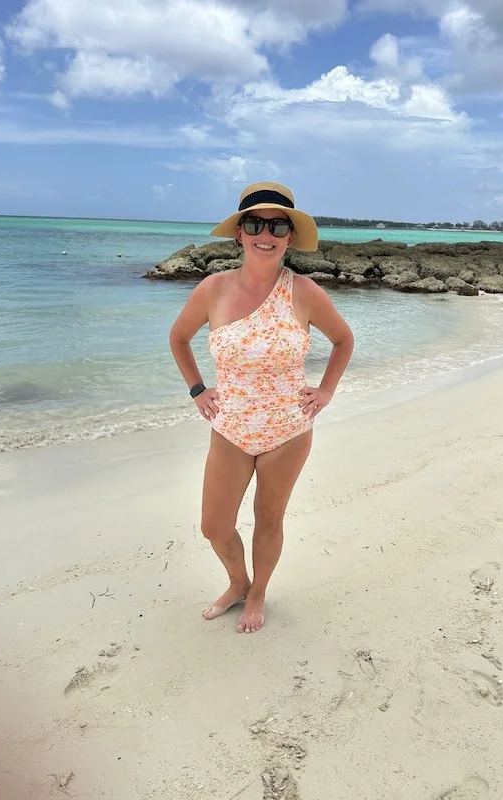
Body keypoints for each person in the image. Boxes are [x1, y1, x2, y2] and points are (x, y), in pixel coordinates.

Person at [169, 182, 354, 633]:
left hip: (288, 430)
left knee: (268, 520)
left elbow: (343, 340)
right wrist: (198, 390)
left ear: (290, 236)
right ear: (239, 233)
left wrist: (326, 391)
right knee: (214, 525)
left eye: (277, 225)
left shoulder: (305, 291)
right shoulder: (212, 289)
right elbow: (178, 338)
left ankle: (258, 593)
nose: (264, 233)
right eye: (254, 223)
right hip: (230, 427)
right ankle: (238, 583)